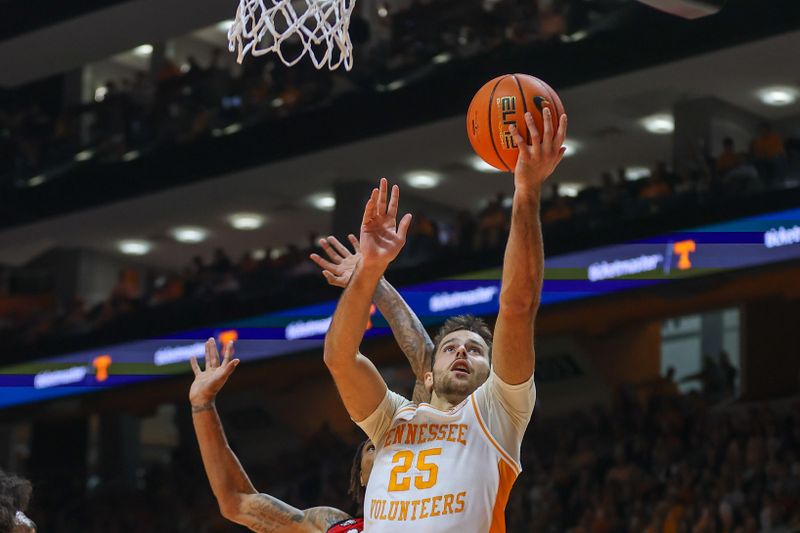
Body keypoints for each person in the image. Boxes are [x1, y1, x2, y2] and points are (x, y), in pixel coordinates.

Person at [323, 107, 567, 530]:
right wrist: (369, 272)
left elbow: (517, 305)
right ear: (428, 376)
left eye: (476, 351)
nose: (462, 353)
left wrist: (526, 190)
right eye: (451, 347)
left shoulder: (498, 412)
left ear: (493, 373)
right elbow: (340, 358)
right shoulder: (390, 420)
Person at [191, 236, 435, 532]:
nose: (383, 445)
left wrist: (375, 280)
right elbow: (236, 501)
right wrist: (202, 405)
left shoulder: (435, 506)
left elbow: (428, 369)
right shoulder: (328, 524)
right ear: (361, 475)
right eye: (372, 447)